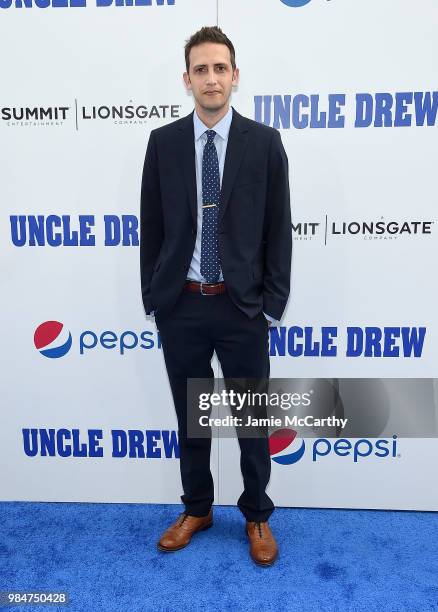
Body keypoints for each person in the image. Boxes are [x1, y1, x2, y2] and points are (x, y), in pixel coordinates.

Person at [140, 25, 292, 566]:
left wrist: (271, 303)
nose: (211, 78)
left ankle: (256, 515)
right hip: (181, 303)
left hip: (242, 305)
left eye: (219, 68)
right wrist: (154, 297)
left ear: (234, 76)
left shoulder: (265, 143)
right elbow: (152, 228)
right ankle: (197, 508)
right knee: (190, 416)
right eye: (200, 69)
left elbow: (280, 227)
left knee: (251, 421)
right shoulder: (163, 144)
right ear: (187, 79)